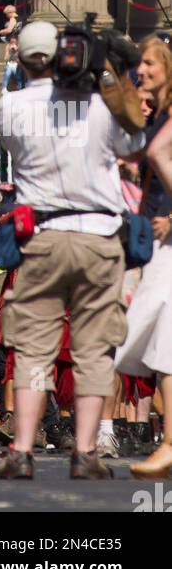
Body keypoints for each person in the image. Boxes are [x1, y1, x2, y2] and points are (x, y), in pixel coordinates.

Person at [0, 20, 145, 482]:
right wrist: (113, 76)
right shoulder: (101, 105)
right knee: (94, 349)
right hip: (99, 235)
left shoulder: (12, 105)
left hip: (41, 234)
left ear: (22, 59)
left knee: (35, 350)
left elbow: (12, 147)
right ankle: (84, 451)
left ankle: (21, 450)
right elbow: (135, 142)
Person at [115, 35, 172, 480]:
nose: (143, 69)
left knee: (161, 341)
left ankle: (170, 443)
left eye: (150, 63)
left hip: (168, 242)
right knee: (155, 341)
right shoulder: (157, 116)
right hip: (158, 245)